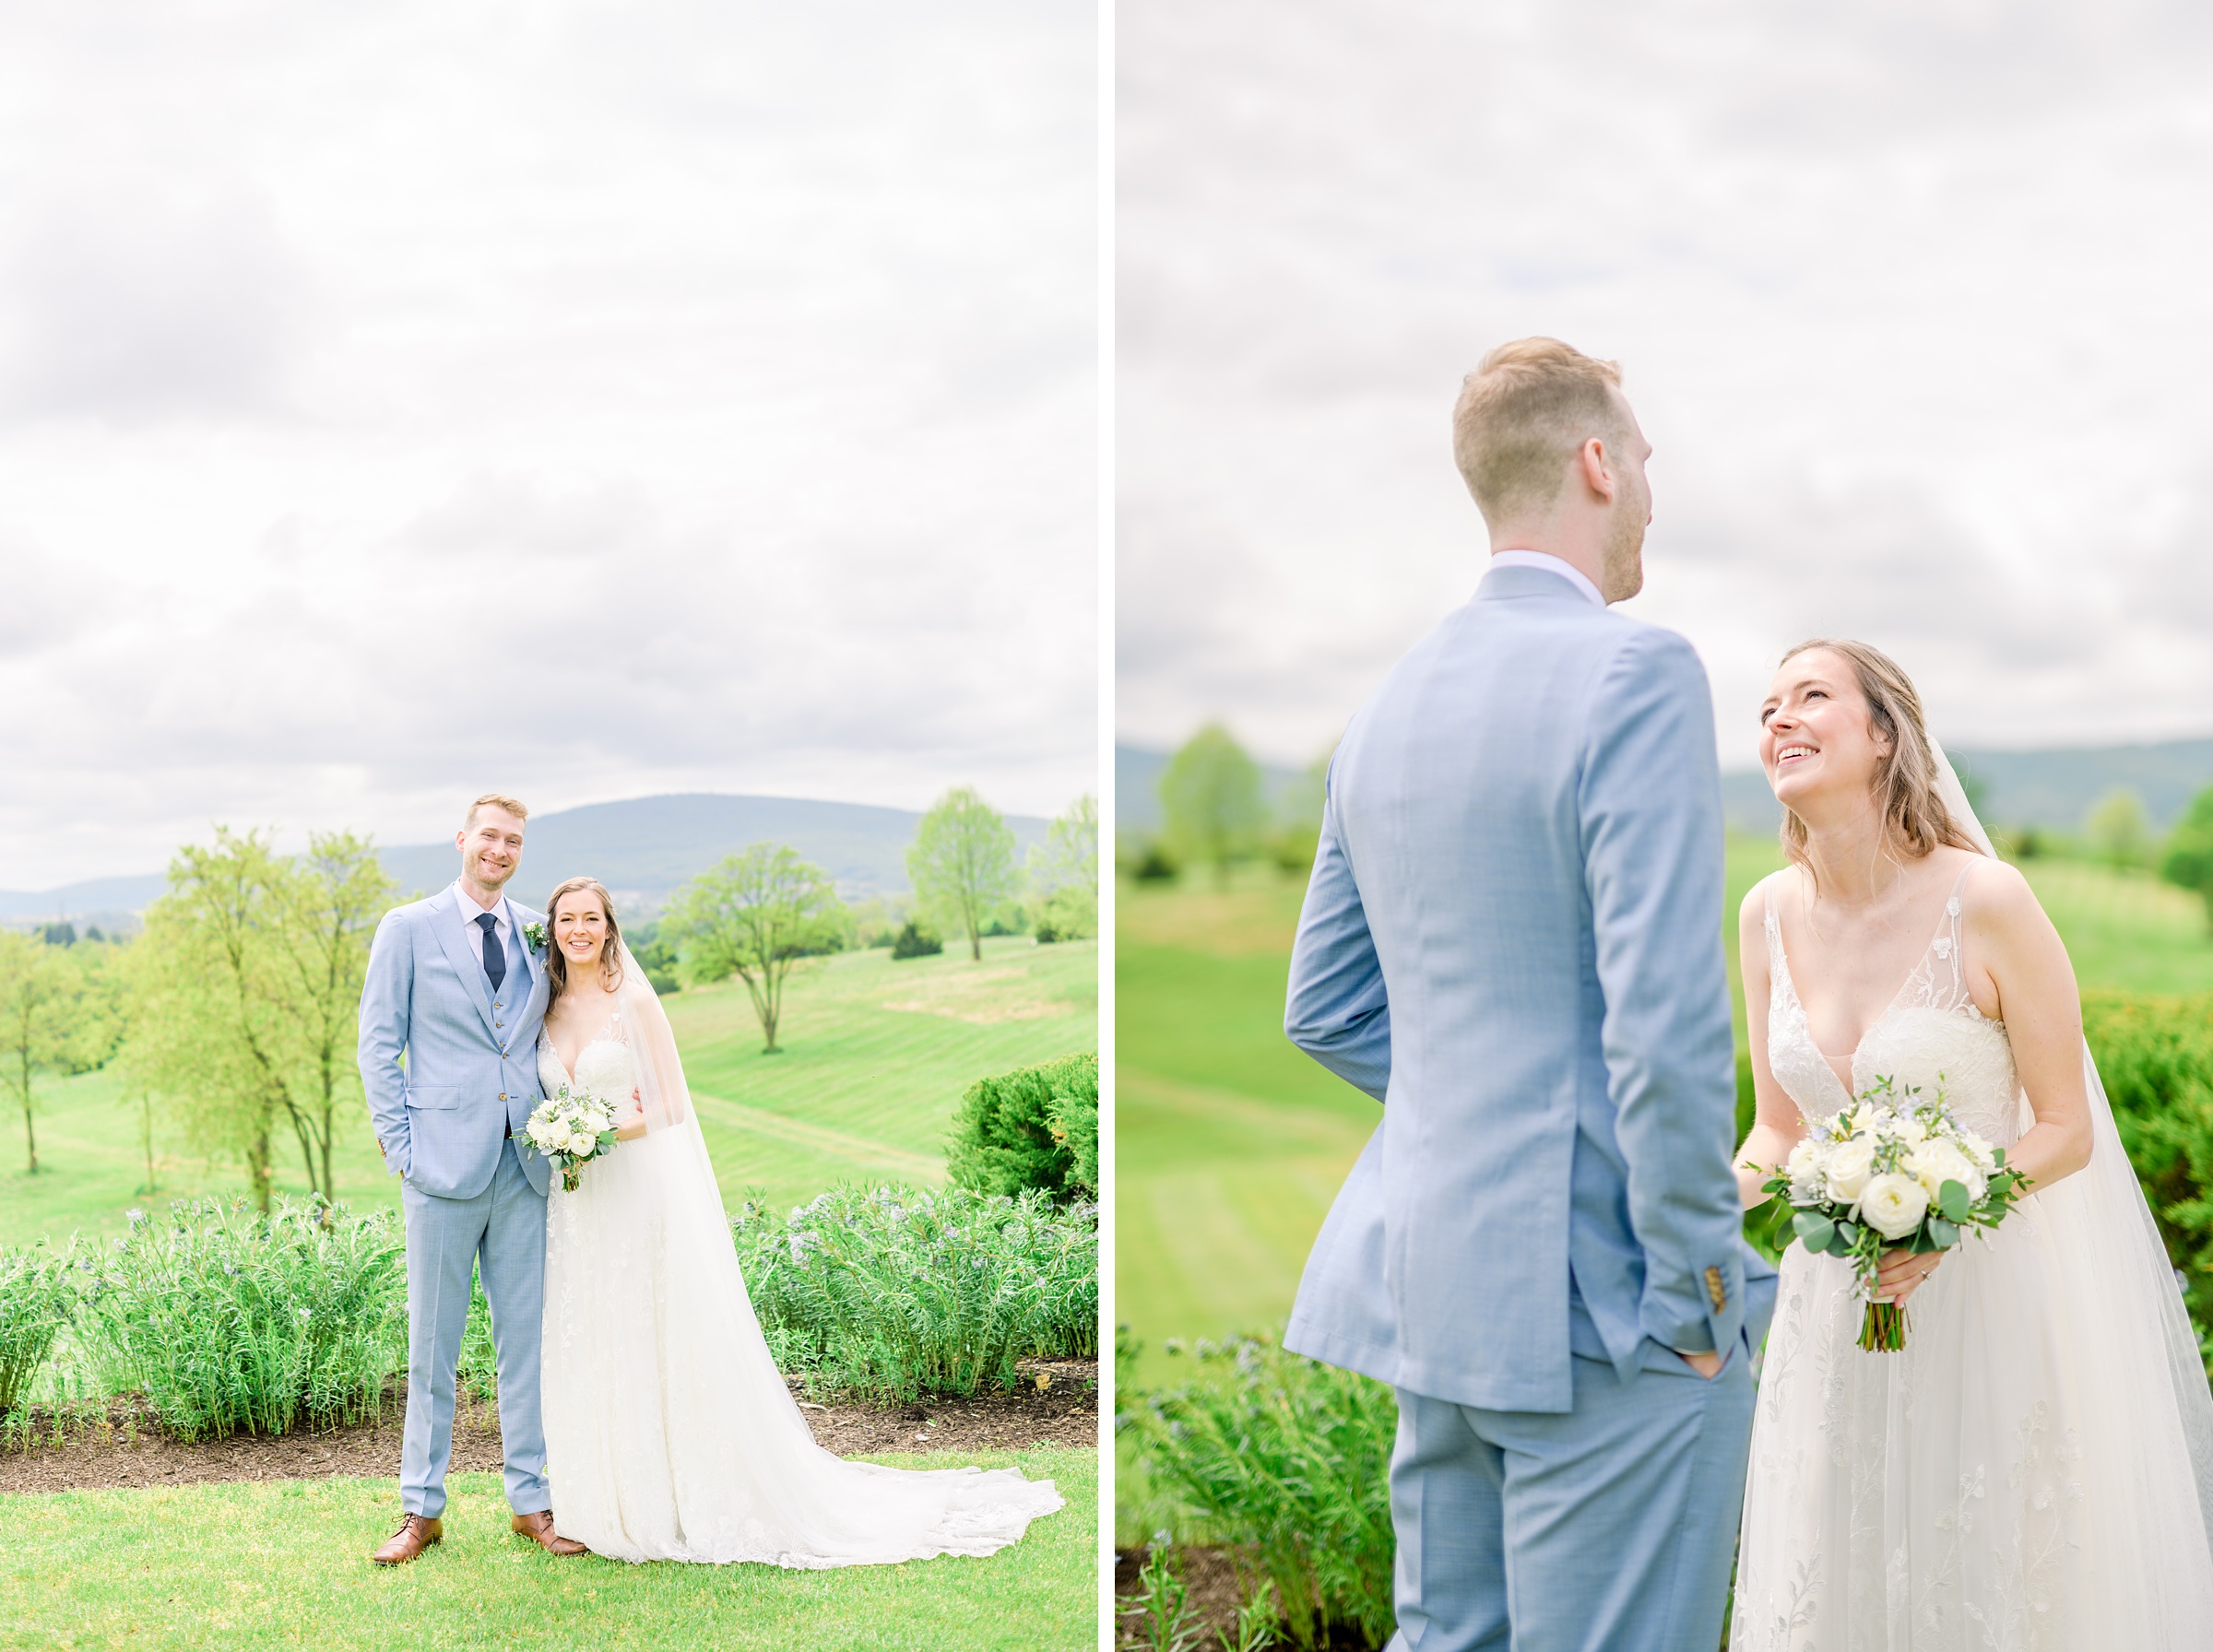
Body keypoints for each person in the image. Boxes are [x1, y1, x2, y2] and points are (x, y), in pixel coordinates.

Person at [1283, 337, 1774, 1651]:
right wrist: (1704, 1300)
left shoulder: (1385, 707)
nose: (1656, 501)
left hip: (1434, 1286)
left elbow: (1325, 1005)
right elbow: (1666, 1031)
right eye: (1650, 465)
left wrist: (1491, 1112)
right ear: (1598, 463)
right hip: (1615, 1310)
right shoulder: (1637, 671)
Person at [1728, 640, 2213, 1647]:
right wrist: (1699, 1206)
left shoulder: (1987, 900)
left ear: (1883, 733)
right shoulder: (1764, 913)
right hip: (1835, 1310)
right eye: (1766, 705)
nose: (1778, 718)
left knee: (1990, 1573)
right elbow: (1779, 1128)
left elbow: (2067, 1128)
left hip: (1986, 1294)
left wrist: (1952, 1215)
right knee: (1839, 1561)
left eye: (1810, 695)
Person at [532, 875, 1062, 1564]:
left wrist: (595, 1131)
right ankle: (603, 1498)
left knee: (656, 1328)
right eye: (567, 919)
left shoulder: (631, 1000)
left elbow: (669, 1108)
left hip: (634, 1187)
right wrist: (562, 1135)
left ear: (609, 927)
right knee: (598, 1330)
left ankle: (678, 1495)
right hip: (576, 1205)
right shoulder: (543, 1006)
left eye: (591, 919)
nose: (579, 930)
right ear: (553, 928)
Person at [358, 793, 586, 1564]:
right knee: (433, 1349)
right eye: (489, 835)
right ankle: (421, 1509)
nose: (500, 849)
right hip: (441, 1169)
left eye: (513, 840)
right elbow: (378, 1044)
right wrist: (403, 1148)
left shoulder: (532, 928)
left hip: (524, 1164)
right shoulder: (407, 928)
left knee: (525, 1346)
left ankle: (531, 1502)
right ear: (462, 839)